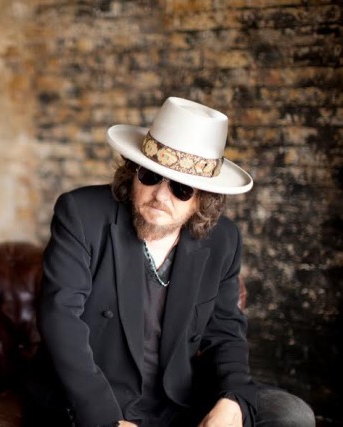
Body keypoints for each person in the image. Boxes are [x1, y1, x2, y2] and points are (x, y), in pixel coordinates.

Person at [23, 97, 315, 426]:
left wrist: (232, 399)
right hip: (91, 398)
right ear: (132, 172)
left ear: (204, 198)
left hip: (176, 401)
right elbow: (60, 316)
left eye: (181, 188)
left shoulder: (223, 240)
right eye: (150, 176)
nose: (160, 196)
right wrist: (104, 418)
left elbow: (225, 332)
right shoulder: (81, 214)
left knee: (291, 415)